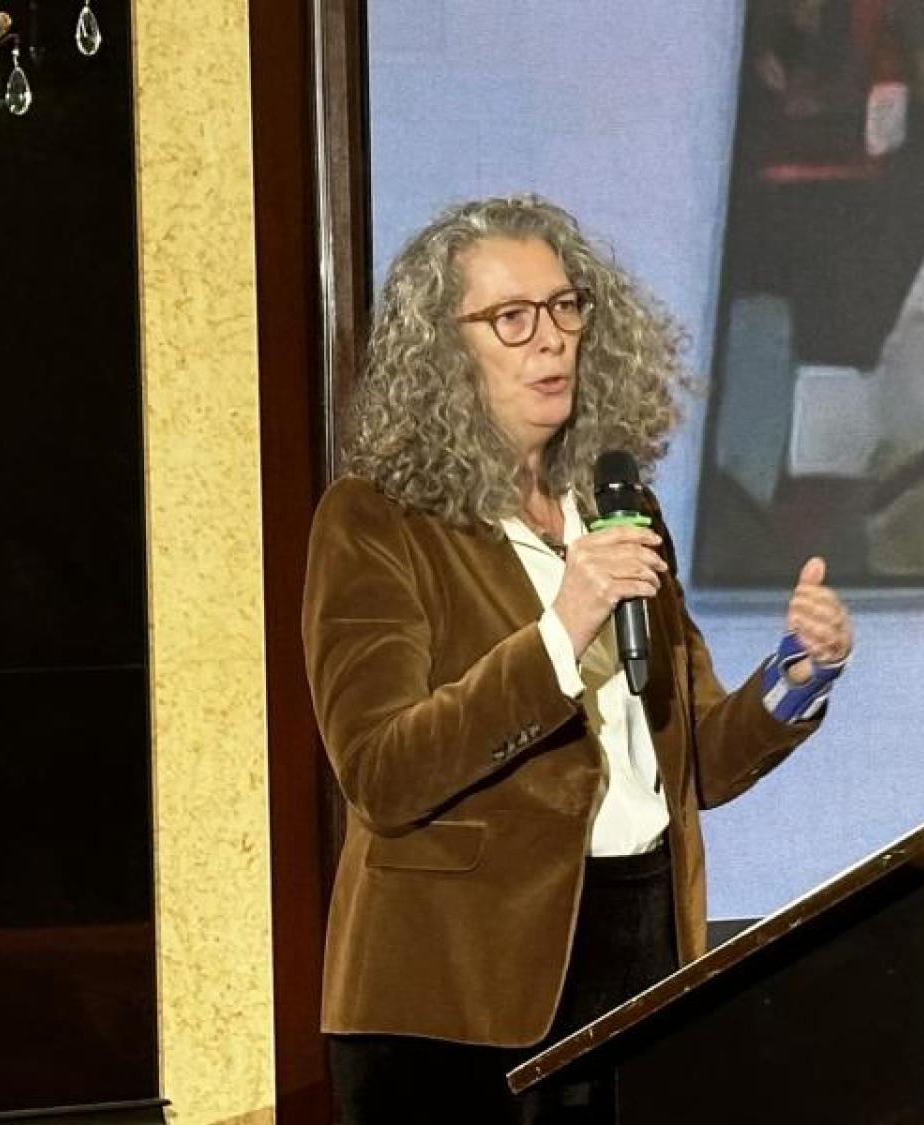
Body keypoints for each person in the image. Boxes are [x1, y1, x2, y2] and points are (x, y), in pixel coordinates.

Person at [302, 195, 853, 1123]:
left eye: (565, 306)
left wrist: (793, 680)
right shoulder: (376, 521)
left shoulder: (616, 504)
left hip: (640, 949)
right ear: (441, 349)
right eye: (512, 318)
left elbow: (695, 759)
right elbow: (383, 772)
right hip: (455, 998)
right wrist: (561, 631)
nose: (553, 338)